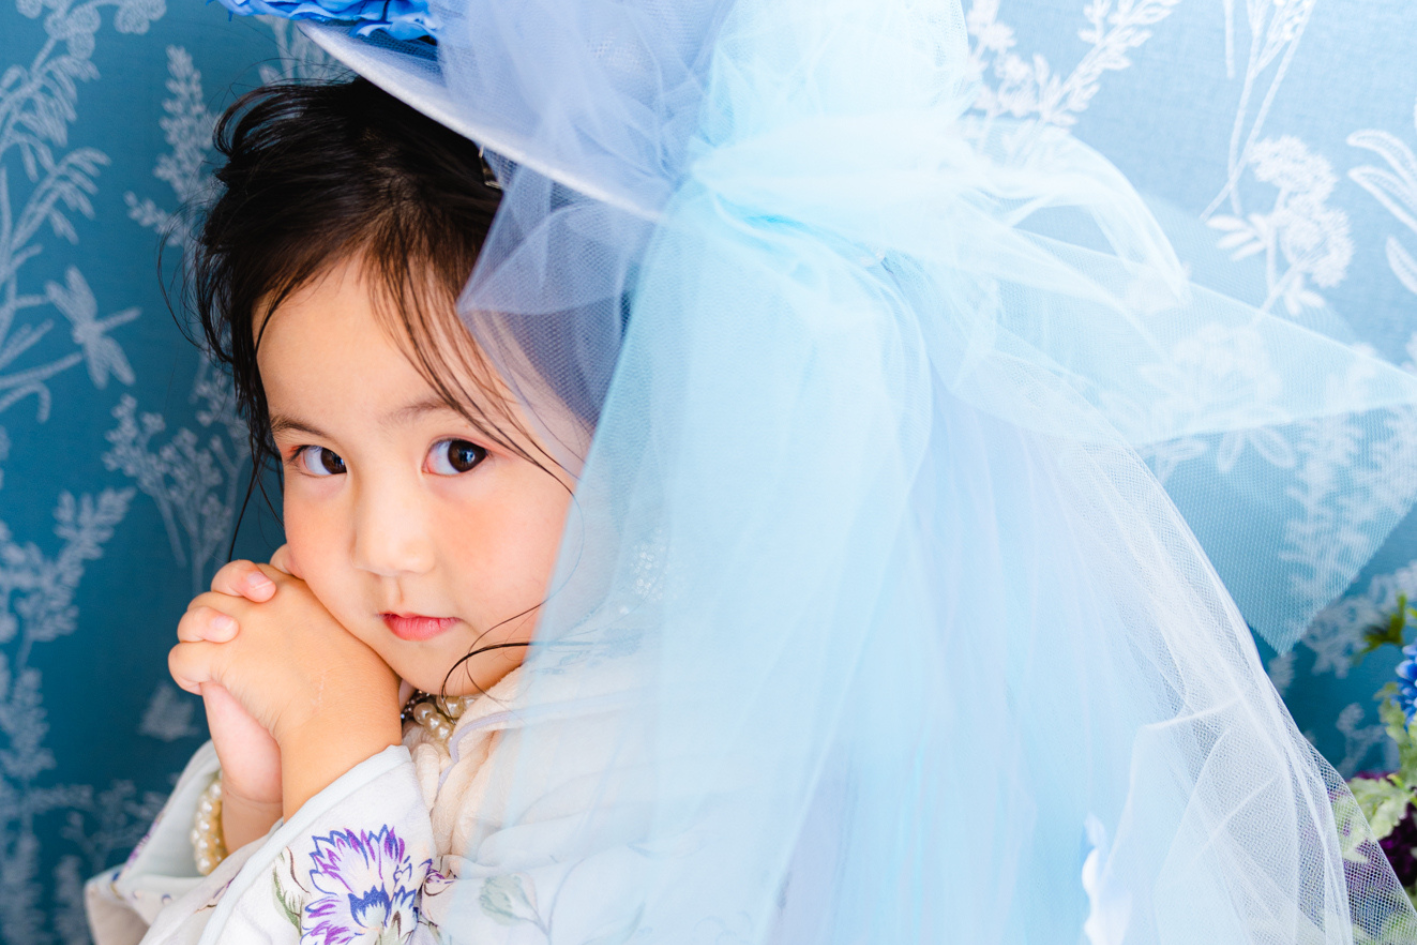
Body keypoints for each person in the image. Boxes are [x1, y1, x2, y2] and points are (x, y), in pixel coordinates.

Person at [87, 0, 1417, 941]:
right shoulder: (372, 673)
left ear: (655, 426)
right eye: (319, 456)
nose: (382, 542)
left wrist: (333, 754)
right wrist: (260, 781)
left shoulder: (691, 771)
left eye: (460, 451)